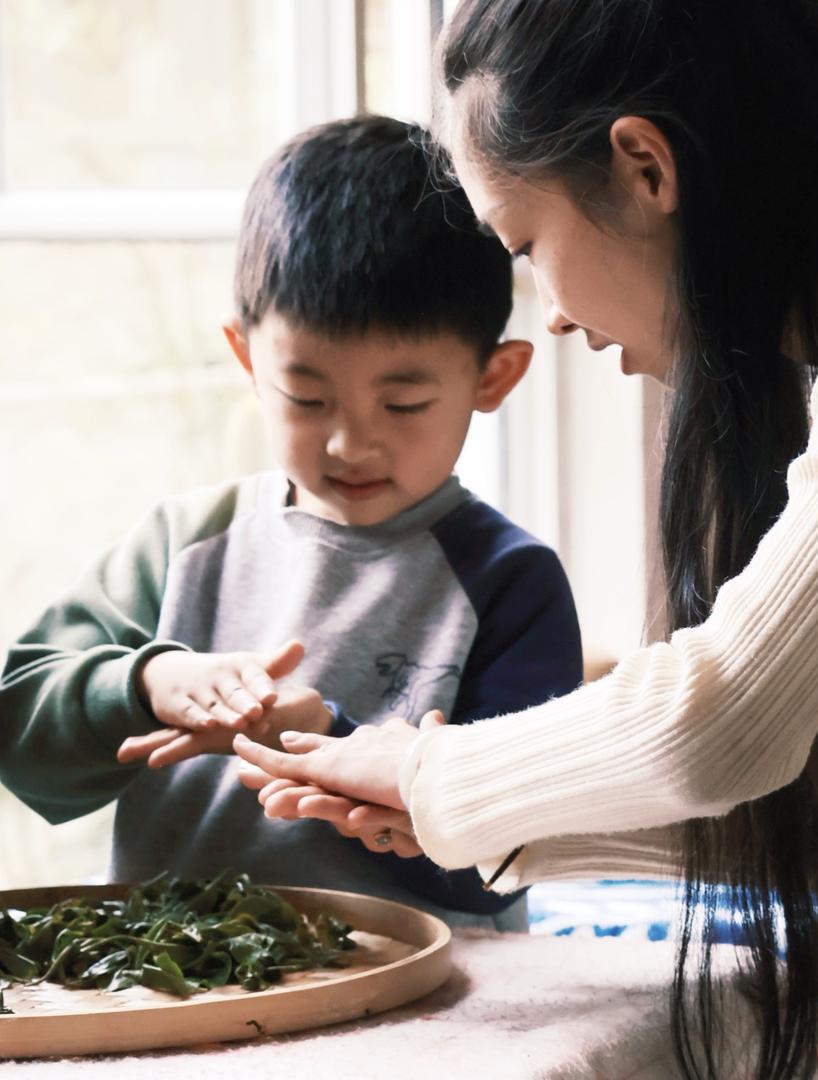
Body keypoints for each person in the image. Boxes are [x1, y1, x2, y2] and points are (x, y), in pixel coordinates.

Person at [232, 2, 818, 1076]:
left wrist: (435, 772)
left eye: (526, 244)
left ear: (642, 166)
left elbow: (721, 718)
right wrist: (460, 813)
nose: (549, 318)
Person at [0, 114, 583, 932]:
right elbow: (19, 734)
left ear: (495, 377)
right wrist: (144, 685)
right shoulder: (184, 545)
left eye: (404, 402)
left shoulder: (510, 584)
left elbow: (510, 861)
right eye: (307, 398)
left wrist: (335, 747)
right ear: (246, 358)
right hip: (180, 992)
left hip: (428, 1013)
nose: (349, 442)